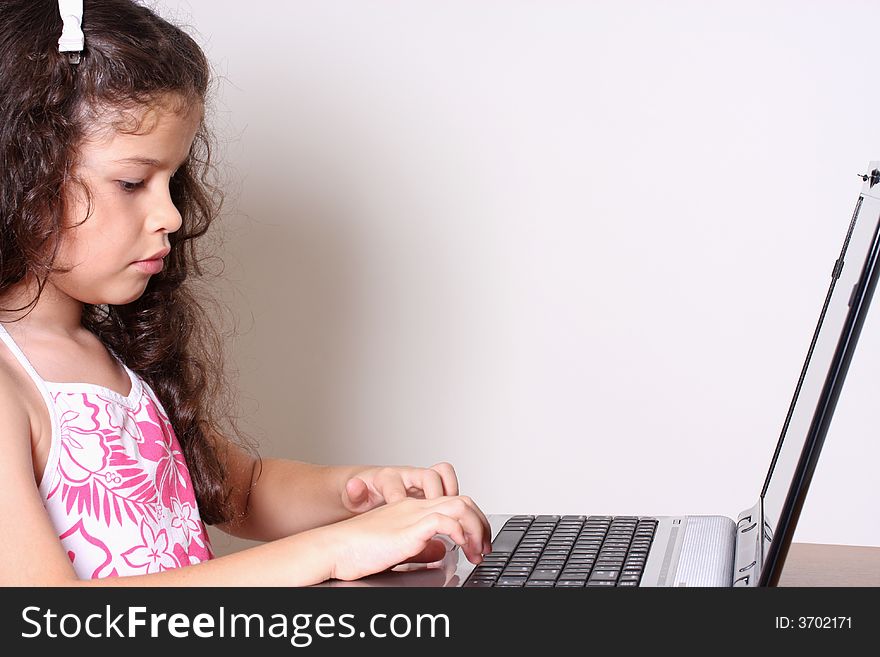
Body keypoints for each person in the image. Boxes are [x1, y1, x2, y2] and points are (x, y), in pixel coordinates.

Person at [0, 0, 490, 586]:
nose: (171, 216)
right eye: (132, 182)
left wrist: (361, 494)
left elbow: (245, 489)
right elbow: (44, 620)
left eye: (172, 181)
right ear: (22, 174)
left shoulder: (117, 355)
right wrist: (332, 551)